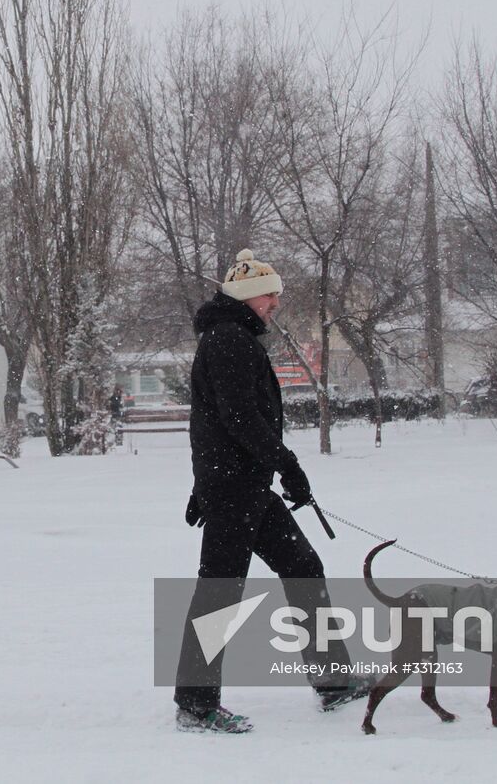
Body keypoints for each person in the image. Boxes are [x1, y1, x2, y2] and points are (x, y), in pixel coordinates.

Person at [173, 248, 362, 734]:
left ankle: (334, 680)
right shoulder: (228, 340)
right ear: (248, 294)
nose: (276, 303)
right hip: (235, 487)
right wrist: (288, 464)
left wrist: (211, 482)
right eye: (271, 295)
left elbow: (212, 420)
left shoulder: (231, 337)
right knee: (221, 592)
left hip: (242, 484)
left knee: (303, 566)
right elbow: (237, 418)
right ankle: (195, 704)